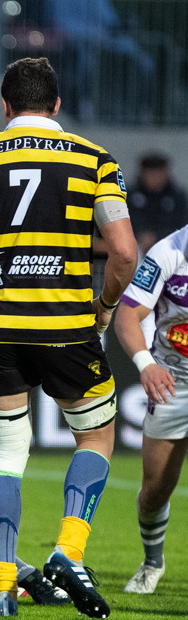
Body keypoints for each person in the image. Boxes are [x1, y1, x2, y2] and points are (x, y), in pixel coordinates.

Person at [0, 57, 138, 619]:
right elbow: (123, 253)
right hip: (65, 325)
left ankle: (1, 589)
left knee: (4, 453)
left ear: (5, 105)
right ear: (57, 104)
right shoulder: (95, 160)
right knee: (94, 438)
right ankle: (68, 551)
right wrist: (104, 307)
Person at [113, 223, 188, 594]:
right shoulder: (167, 253)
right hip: (174, 383)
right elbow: (127, 314)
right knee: (154, 492)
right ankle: (152, 562)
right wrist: (147, 365)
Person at [128, 153, 188, 256]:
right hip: (135, 248)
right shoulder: (130, 195)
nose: (155, 178)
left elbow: (182, 225)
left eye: (158, 174)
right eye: (151, 174)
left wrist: (157, 237)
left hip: (172, 249)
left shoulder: (177, 197)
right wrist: (139, 236)